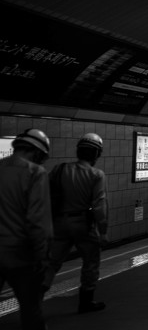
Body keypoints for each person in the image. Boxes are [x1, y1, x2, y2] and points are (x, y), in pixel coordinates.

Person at [0, 128, 67, 330]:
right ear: (37, 152)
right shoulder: (34, 173)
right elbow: (37, 220)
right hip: (20, 252)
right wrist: (42, 255)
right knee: (30, 307)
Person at [43, 133, 109, 313]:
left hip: (59, 223)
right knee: (90, 262)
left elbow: (46, 194)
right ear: (97, 154)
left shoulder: (59, 169)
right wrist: (103, 231)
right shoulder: (96, 174)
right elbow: (99, 205)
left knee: (51, 262)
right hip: (83, 224)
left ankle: (35, 298)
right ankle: (86, 301)